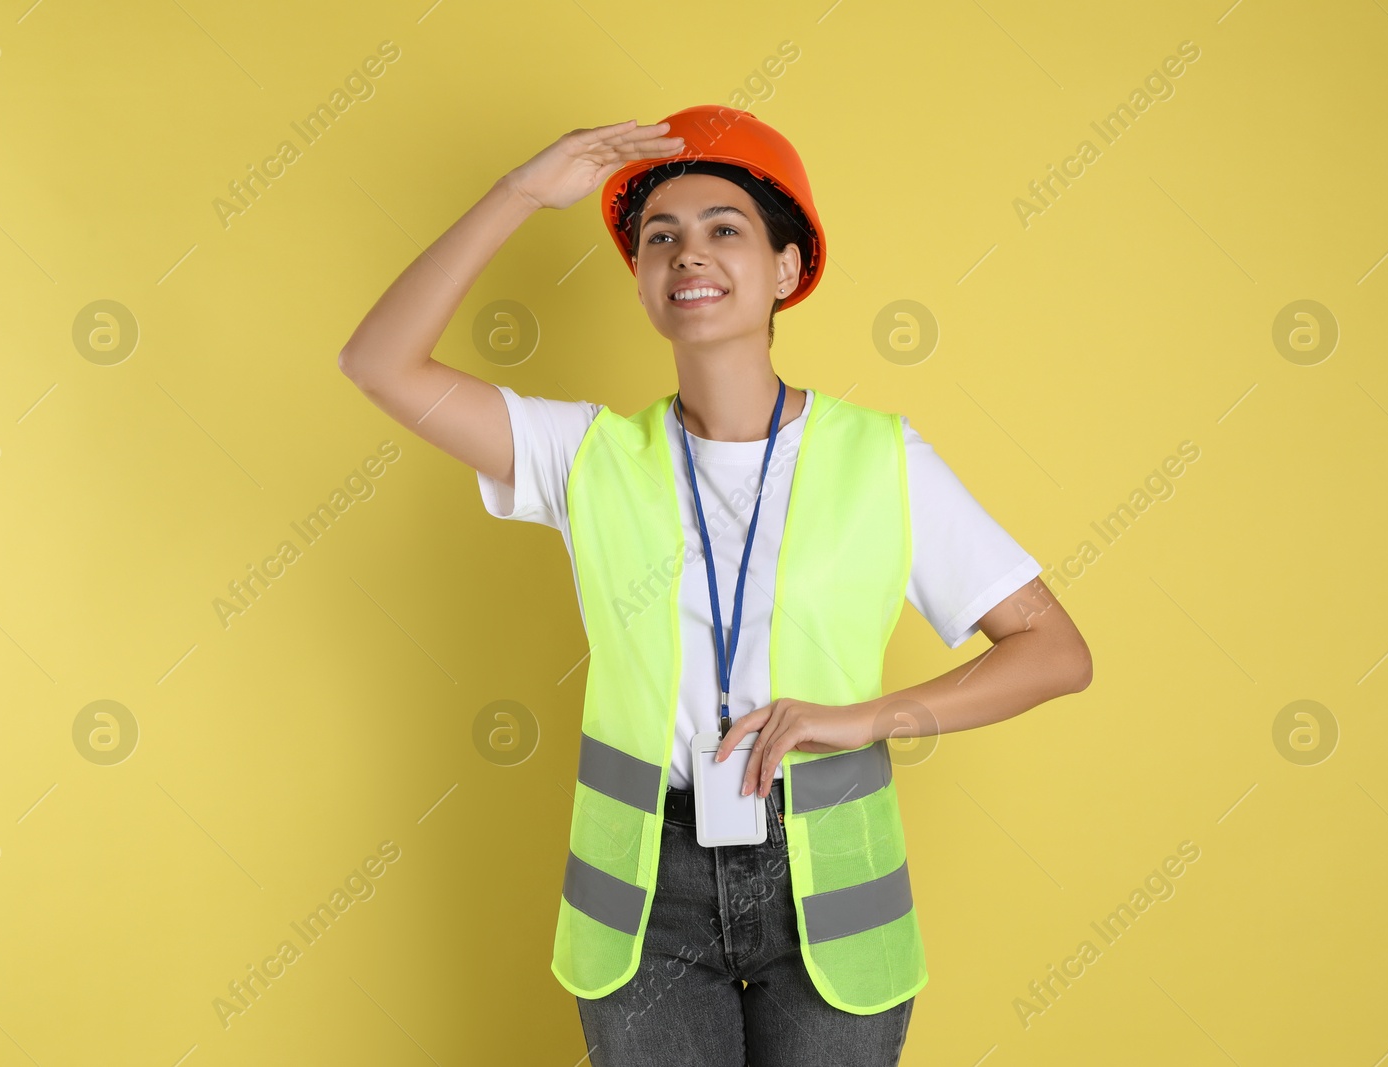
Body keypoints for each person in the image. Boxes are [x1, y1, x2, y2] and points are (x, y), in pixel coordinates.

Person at [340, 106, 1092, 1067]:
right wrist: (521, 193)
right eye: (662, 237)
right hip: (644, 892)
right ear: (646, 283)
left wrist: (868, 718)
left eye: (723, 228)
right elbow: (377, 363)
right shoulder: (589, 456)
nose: (688, 252)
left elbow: (1055, 652)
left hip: (833, 886)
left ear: (786, 269)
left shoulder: (882, 460)